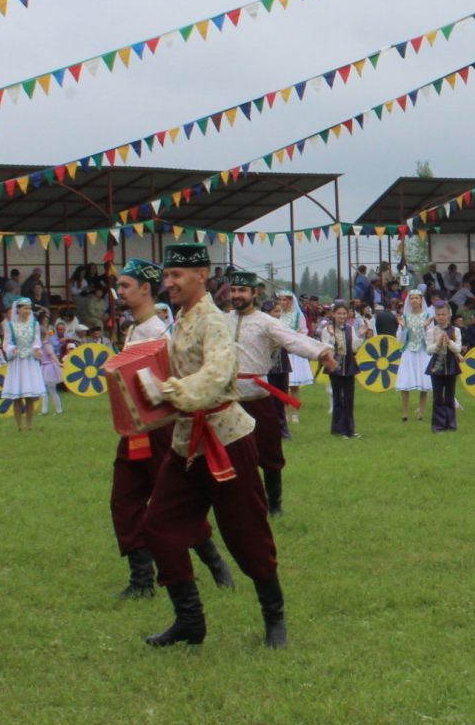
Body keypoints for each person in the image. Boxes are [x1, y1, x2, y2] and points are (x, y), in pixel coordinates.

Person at [133, 244, 289, 648]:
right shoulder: (180, 320)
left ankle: (275, 619)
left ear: (202, 275)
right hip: (187, 443)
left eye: (176, 277)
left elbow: (218, 375)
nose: (168, 284)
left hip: (226, 440)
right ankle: (190, 620)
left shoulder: (214, 322)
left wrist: (168, 390)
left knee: (246, 532)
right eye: (165, 277)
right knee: (158, 525)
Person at [108, 258, 236, 600]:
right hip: (136, 429)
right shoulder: (135, 329)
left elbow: (173, 379)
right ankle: (141, 579)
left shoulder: (159, 331)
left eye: (125, 286)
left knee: (172, 503)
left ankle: (213, 561)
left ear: (145, 289)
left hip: (161, 429)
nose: (120, 292)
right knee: (123, 501)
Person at [225, 268, 336, 517]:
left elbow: (293, 340)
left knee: (269, 453)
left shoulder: (266, 322)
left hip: (258, 398)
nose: (237, 295)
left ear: (254, 293)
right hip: (229, 401)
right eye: (233, 290)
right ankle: (239, 505)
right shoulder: (223, 321)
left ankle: (274, 505)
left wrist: (321, 353)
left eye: (242, 290)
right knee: (233, 455)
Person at [1, 297, 47, 432]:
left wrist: (37, 348)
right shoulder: (10, 326)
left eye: (29, 308)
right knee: (17, 395)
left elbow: (36, 340)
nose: (28, 311)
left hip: (29, 360)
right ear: (19, 310)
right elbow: (7, 342)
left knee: (30, 396)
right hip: (17, 361)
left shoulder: (34, 325)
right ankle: (19, 426)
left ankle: (29, 424)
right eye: (25, 308)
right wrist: (11, 349)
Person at [273, 292, 315, 424]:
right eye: (280, 300)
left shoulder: (298, 315)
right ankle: (283, 412)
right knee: (282, 386)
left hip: (293, 353)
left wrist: (295, 336)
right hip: (280, 352)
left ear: (291, 301)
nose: (282, 302)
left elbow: (304, 331)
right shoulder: (277, 315)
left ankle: (295, 413)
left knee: (295, 386)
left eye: (285, 300)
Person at [394, 290, 433, 424]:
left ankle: (421, 411)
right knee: (405, 382)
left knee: (424, 383)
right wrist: (403, 328)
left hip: (422, 350)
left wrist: (426, 327)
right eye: (412, 298)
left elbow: (431, 337)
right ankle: (405, 412)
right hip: (409, 351)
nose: (414, 300)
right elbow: (400, 339)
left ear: (421, 300)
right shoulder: (405, 317)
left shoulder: (427, 316)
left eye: (417, 298)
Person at [426, 298, 463, 432]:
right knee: (437, 396)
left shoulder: (455, 331)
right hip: (436, 365)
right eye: (439, 314)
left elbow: (458, 349)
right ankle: (438, 425)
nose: (441, 317)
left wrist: (449, 343)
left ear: (449, 315)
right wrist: (437, 345)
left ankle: (451, 424)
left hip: (451, 364)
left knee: (450, 395)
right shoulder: (431, 331)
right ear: (435, 315)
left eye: (444, 314)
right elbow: (428, 350)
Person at [326, 302, 361, 438]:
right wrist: (331, 336)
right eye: (339, 313)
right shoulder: (328, 329)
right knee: (338, 397)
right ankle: (338, 428)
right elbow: (326, 347)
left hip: (348, 365)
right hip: (335, 366)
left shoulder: (349, 329)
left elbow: (353, 347)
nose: (342, 316)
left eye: (344, 313)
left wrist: (362, 336)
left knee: (349, 398)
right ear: (333, 314)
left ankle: (350, 428)